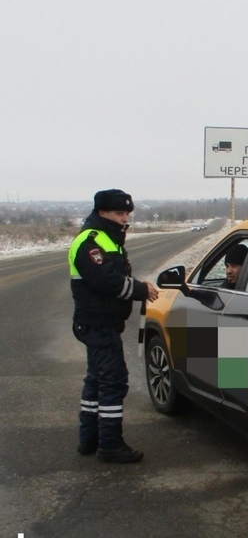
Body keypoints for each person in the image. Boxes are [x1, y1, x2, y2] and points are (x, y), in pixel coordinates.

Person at [68, 189, 159, 463]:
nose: (124, 218)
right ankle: (109, 444)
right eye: (119, 213)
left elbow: (116, 275)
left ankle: (90, 439)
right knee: (113, 381)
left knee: (96, 380)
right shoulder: (90, 241)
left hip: (101, 323)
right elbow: (108, 281)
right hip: (98, 324)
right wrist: (141, 290)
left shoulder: (108, 238)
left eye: (127, 214)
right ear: (102, 213)